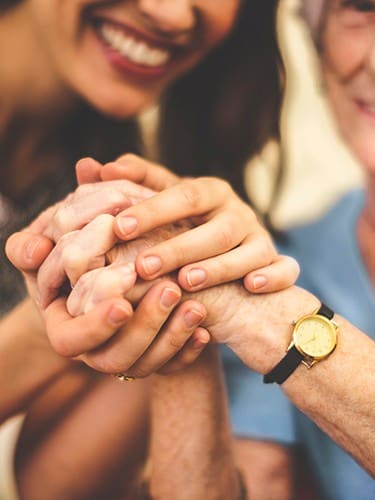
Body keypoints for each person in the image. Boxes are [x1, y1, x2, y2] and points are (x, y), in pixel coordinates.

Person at [25, 0, 375, 497]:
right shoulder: (287, 258)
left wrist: (257, 313)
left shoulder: (268, 286)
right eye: (362, 6)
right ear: (319, 42)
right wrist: (176, 293)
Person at [0, 0, 296, 497]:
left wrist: (186, 295)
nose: (172, 13)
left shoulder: (122, 181)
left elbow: (54, 486)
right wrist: (49, 313)